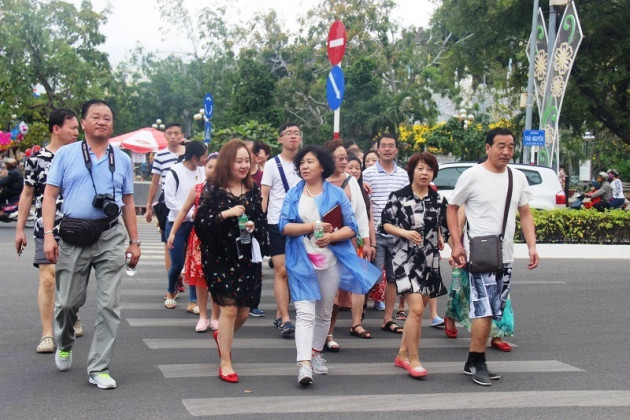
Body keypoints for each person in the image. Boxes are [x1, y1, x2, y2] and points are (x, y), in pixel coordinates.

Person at [42, 99, 141, 389]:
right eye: (95, 117)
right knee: (67, 304)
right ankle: (64, 342)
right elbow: (49, 196)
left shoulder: (121, 158)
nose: (102, 122)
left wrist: (134, 242)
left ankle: (99, 367)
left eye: (107, 118)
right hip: (74, 237)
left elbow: (128, 202)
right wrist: (49, 234)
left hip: (110, 236)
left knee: (109, 304)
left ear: (113, 125)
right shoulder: (66, 154)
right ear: (83, 123)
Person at [279, 145, 381, 385]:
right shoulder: (294, 193)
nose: (305, 166)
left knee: (324, 311)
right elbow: (283, 226)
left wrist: (332, 237)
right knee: (304, 312)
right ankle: (303, 364)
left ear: (322, 166)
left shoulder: (335, 194)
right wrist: (312, 226)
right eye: (302, 162)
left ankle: (315, 353)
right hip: (301, 261)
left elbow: (351, 227)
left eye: (310, 162)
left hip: (331, 261)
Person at [447, 127, 539, 386]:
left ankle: (472, 361)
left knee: (494, 310)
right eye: (501, 146)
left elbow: (525, 213)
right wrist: (456, 244)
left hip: (505, 255)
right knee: (484, 311)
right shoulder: (473, 175)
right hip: (480, 254)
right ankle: (478, 361)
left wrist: (532, 245)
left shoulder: (517, 177)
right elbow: (452, 208)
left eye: (510, 146)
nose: (506, 151)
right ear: (488, 148)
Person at [194, 139, 268, 384]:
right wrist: (225, 214)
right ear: (227, 162)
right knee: (229, 309)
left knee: (244, 312)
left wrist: (253, 225)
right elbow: (201, 224)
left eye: (247, 160)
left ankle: (222, 337)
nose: (244, 165)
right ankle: (225, 361)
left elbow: (260, 220)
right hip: (219, 256)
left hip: (246, 255)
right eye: (239, 161)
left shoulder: (253, 189)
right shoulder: (213, 189)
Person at [14, 108, 82, 353]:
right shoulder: (36, 159)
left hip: (76, 227)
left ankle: (71, 313)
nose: (77, 132)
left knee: (71, 279)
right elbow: (27, 194)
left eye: (77, 128)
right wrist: (20, 229)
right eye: (72, 127)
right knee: (47, 278)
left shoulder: (81, 156)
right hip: (46, 227)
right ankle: (47, 334)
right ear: (56, 129)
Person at [381, 151, 449, 378]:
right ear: (412, 171)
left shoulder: (439, 200)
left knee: (415, 314)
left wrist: (447, 241)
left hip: (429, 260)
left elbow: (446, 228)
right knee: (417, 310)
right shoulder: (398, 197)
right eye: (420, 168)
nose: (424, 173)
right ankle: (414, 359)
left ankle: (401, 354)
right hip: (404, 258)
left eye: (429, 169)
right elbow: (386, 224)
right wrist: (405, 233)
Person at [324, 140, 374, 350]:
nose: (345, 161)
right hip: (320, 242)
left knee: (339, 290)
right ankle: (317, 331)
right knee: (323, 291)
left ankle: (329, 333)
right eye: (340, 157)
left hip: (346, 241)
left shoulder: (351, 182)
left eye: (346, 157)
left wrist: (366, 243)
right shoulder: (318, 180)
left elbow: (361, 213)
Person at [443, 205, 515, 352]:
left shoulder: (501, 197)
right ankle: (450, 315)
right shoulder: (468, 201)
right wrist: (455, 250)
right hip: (468, 253)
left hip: (494, 253)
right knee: (457, 289)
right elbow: (458, 226)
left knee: (500, 295)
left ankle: (497, 334)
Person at [167, 154, 220, 332]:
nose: (213, 170)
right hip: (199, 240)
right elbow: (183, 211)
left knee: (217, 279)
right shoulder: (197, 189)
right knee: (200, 279)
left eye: (217, 167)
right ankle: (203, 315)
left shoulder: (228, 190)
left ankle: (215, 317)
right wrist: (173, 232)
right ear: (205, 168)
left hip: (220, 240)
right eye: (210, 166)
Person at [362, 134, 409, 332]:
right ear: (377, 149)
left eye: (391, 146)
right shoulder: (368, 173)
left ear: (396, 150)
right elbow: (364, 205)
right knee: (370, 274)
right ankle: (359, 313)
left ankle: (387, 318)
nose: (387, 149)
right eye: (384, 146)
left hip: (397, 233)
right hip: (376, 233)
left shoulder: (404, 175)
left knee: (392, 277)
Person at [261, 123, 303, 336]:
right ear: (280, 139)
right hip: (277, 222)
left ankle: (280, 312)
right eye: (289, 133)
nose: (293, 137)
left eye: (297, 133)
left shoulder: (306, 162)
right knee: (282, 270)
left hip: (302, 223)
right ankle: (286, 319)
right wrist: (261, 222)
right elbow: (265, 195)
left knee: (296, 271)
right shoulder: (271, 164)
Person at [163, 141, 208, 311]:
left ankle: (193, 301)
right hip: (176, 222)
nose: (205, 159)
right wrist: (188, 213)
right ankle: (170, 291)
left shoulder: (202, 171)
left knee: (195, 263)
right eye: (204, 156)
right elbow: (169, 199)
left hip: (196, 224)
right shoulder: (175, 171)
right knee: (178, 262)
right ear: (194, 157)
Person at [144, 123, 186, 292]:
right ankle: (173, 282)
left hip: (187, 200)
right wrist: (148, 206)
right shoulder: (160, 156)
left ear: (182, 135)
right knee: (168, 243)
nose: (173, 136)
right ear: (165, 136)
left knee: (187, 243)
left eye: (176, 133)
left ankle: (182, 273)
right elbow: (155, 181)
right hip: (167, 203)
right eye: (169, 133)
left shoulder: (189, 154)